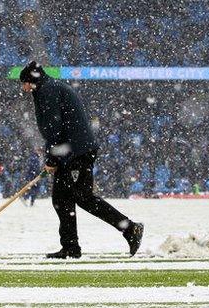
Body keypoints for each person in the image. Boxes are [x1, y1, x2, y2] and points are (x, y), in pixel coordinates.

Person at [19, 61, 143, 259]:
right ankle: (70, 247)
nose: (23, 88)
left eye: (24, 83)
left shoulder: (48, 91)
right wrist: (53, 157)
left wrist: (52, 158)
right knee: (61, 199)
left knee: (83, 197)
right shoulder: (48, 88)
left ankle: (130, 228)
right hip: (69, 152)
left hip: (77, 152)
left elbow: (54, 129)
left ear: (31, 80)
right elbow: (53, 131)